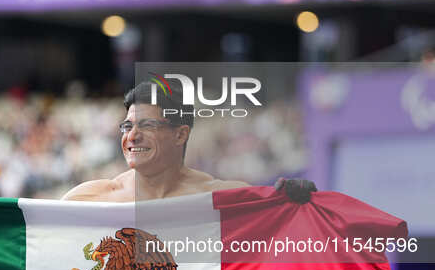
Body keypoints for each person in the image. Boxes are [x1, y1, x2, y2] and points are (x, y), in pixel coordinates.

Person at [62, 81, 316, 202]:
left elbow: (289, 233)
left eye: (147, 125)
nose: (132, 136)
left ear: (180, 134)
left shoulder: (223, 198)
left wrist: (295, 201)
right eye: (127, 126)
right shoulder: (90, 199)